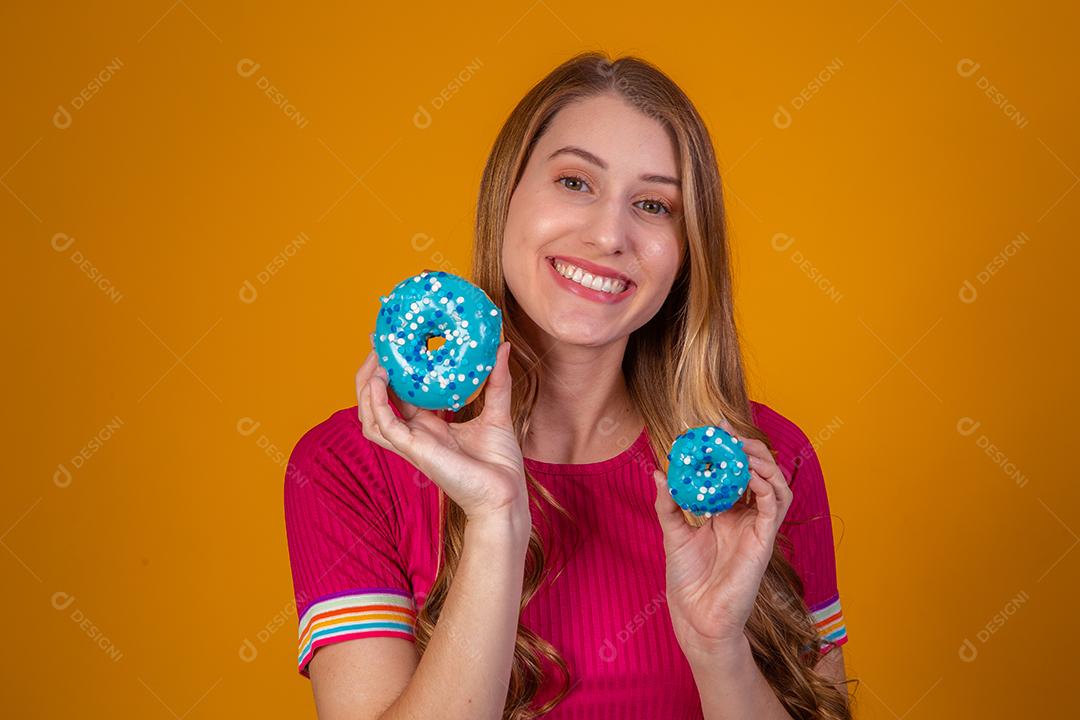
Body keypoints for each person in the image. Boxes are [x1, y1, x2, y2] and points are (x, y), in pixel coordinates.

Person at [284, 51, 852, 720]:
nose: (609, 235)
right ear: (506, 195)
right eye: (575, 182)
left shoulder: (762, 472)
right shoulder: (352, 467)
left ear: (687, 249)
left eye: (653, 204)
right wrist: (496, 521)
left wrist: (717, 646)